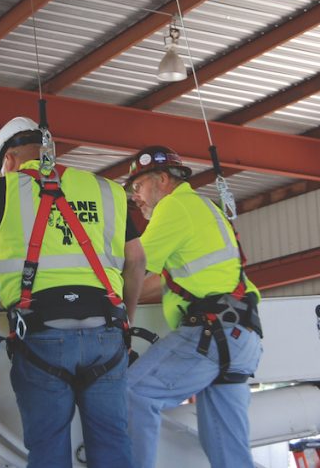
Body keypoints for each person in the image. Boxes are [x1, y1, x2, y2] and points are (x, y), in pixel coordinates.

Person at [0, 116, 144, 468]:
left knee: (48, 449)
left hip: (40, 335)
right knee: (114, 446)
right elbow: (136, 260)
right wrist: (126, 324)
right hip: (107, 333)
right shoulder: (106, 190)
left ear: (7, 161)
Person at [125, 145, 263, 468]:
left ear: (161, 179)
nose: (136, 197)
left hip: (211, 332)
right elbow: (165, 282)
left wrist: (111, 307)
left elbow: (133, 266)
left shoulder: (174, 209)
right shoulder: (204, 208)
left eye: (138, 186)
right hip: (241, 334)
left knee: (131, 393)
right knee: (227, 454)